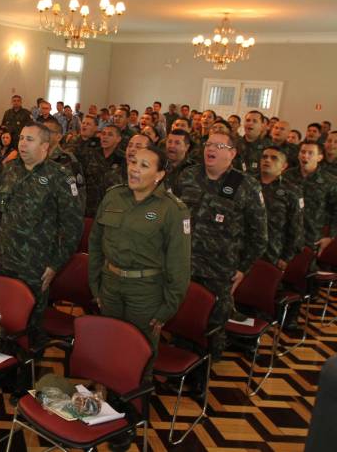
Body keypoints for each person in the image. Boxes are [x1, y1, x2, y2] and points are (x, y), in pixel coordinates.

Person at [89, 146, 191, 373]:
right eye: (133, 162)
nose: (134, 169)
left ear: (159, 175)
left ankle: (138, 393)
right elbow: (95, 243)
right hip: (110, 285)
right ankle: (106, 390)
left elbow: (179, 264)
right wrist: (95, 286)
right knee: (109, 343)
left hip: (145, 292)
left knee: (139, 352)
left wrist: (168, 308)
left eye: (144, 166)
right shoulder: (113, 196)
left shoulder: (172, 209)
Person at [175, 131, 268, 359]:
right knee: (180, 322)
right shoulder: (188, 176)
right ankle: (180, 365)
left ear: (232, 153)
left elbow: (259, 236)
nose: (210, 149)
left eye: (219, 146)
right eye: (208, 144)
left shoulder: (246, 185)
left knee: (212, 328)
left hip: (218, 272)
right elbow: (170, 215)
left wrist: (243, 268)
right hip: (183, 264)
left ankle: (205, 372)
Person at [0, 123, 84, 343]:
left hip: (35, 265)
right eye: (21, 138)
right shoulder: (10, 170)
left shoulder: (60, 176)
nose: (22, 143)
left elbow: (72, 226)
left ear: (45, 146)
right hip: (4, 259)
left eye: (29, 139)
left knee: (28, 325)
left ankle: (27, 362)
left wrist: (55, 264)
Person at [283, 141, 337, 253]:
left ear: (320, 157)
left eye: (310, 153)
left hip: (312, 238)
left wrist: (331, 237)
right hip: (285, 236)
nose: (305, 155)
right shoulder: (286, 176)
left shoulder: (330, 181)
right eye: (302, 152)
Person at [259, 146, 304, 272]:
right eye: (264, 157)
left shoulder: (292, 191)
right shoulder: (248, 183)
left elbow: (296, 227)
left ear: (284, 166)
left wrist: (286, 257)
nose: (267, 160)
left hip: (272, 252)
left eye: (274, 158)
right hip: (242, 249)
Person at [234, 110, 271, 178]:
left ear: (262, 126)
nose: (250, 123)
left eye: (255, 121)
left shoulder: (269, 147)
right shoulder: (234, 143)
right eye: (248, 120)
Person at [164, 129, 195, 194]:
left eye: (177, 143)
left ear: (186, 147)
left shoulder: (194, 169)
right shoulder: (158, 164)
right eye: (169, 142)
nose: (172, 146)